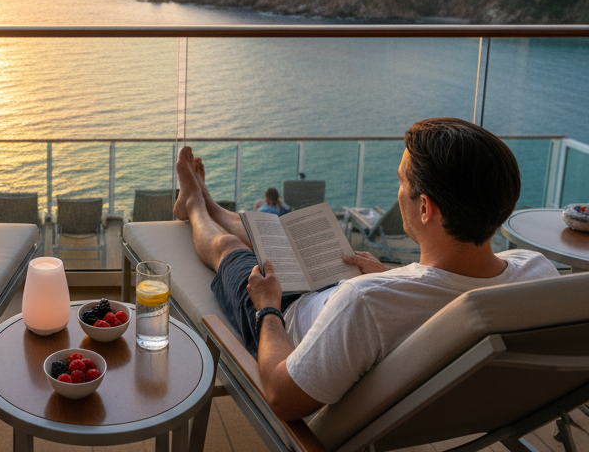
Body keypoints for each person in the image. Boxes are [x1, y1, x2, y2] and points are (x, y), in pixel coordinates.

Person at [172, 117, 556, 421]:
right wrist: (390, 271)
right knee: (275, 237)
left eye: (401, 182)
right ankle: (212, 205)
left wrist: (268, 307)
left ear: (425, 208)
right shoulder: (536, 274)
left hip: (287, 327)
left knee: (230, 248)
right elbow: (439, 286)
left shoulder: (367, 303)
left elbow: (281, 396)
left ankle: (192, 204)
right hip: (341, 301)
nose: (397, 192)